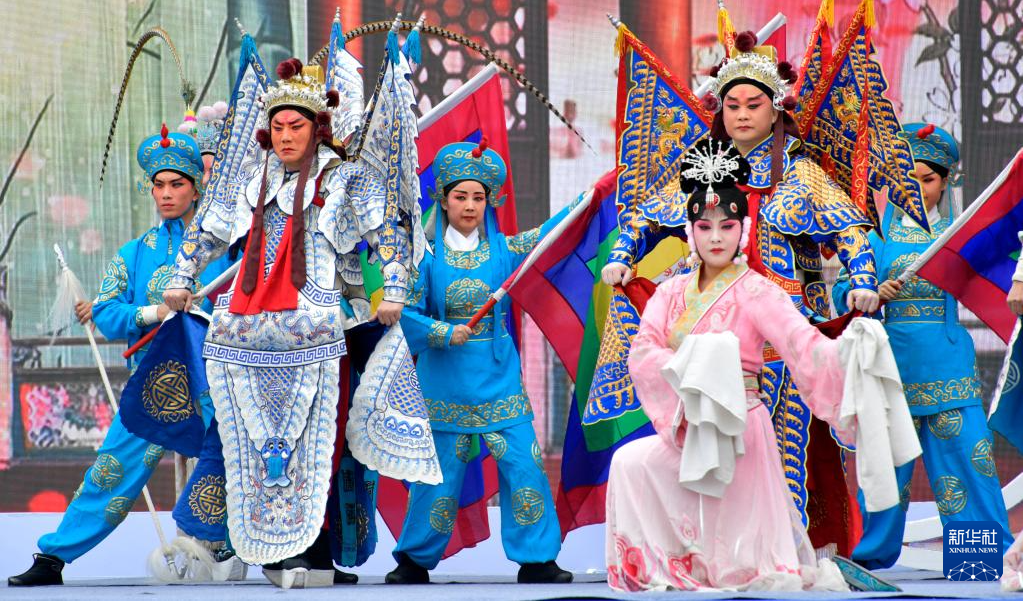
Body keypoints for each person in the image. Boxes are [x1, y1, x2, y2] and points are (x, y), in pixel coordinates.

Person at [601, 30, 879, 555]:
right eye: (733, 105)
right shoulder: (701, 169)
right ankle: (708, 551)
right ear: (720, 109)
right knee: (706, 447)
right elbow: (645, 219)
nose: (743, 114)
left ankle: (785, 550)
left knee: (784, 449)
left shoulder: (802, 174)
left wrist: (862, 282)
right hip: (708, 335)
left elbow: (850, 231)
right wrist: (621, 256)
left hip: (782, 331)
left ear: (776, 110)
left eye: (755, 104)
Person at [163, 56, 437, 589]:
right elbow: (208, 231)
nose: (286, 136)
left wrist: (395, 289)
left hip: (319, 330)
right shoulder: (251, 178)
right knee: (255, 444)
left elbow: (388, 234)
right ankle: (261, 546)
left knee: (320, 445)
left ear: (318, 128)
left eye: (296, 126)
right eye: (279, 127)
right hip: (246, 332)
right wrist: (181, 275)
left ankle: (311, 551)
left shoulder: (347, 179)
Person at [606, 139, 914, 591]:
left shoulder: (757, 290)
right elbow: (643, 352)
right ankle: (666, 567)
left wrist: (850, 348)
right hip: (692, 422)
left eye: (726, 226)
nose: (716, 238)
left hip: (740, 425)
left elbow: (803, 344)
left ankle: (726, 566)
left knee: (749, 566)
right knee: (629, 462)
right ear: (690, 231)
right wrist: (698, 368)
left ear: (743, 230)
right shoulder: (670, 293)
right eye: (705, 227)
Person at [8, 123, 231, 586]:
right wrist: (154, 312)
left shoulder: (224, 251)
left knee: (234, 458)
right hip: (156, 383)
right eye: (159, 184)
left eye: (177, 184)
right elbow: (107, 312)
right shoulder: (133, 253)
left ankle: (245, 547)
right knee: (111, 470)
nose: (166, 193)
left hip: (217, 381)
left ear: (196, 188)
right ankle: (54, 556)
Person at [385, 140, 573, 584]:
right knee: (438, 475)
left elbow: (549, 236)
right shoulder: (424, 257)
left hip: (497, 375)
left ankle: (538, 558)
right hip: (443, 378)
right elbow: (404, 314)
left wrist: (585, 202)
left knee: (524, 464)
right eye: (460, 196)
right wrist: (442, 331)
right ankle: (413, 560)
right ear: (443, 200)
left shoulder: (505, 251)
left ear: (489, 201)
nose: (470, 206)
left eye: (478, 197)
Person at [833, 123, 1012, 569]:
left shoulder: (960, 236)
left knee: (969, 463)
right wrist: (867, 292)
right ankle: (869, 563)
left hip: (948, 361)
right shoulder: (873, 236)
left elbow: (1001, 273)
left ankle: (981, 562)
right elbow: (841, 292)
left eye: (927, 179)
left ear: (946, 181)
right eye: (906, 180)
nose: (916, 189)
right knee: (884, 469)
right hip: (890, 365)